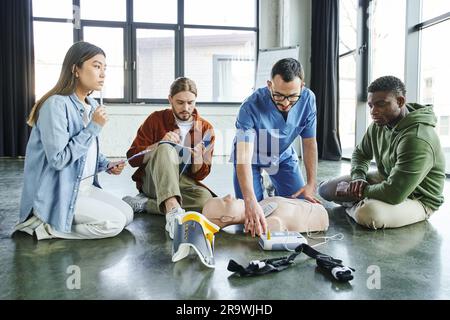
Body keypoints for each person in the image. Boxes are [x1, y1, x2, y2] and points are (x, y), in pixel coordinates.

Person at [15, 41, 132, 240]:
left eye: (105, 68)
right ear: (75, 69)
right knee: (115, 223)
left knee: (128, 214)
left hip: (82, 186)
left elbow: (87, 150)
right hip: (59, 193)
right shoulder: (55, 105)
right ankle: (46, 227)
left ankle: (60, 223)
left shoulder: (91, 103)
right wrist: (94, 126)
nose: (103, 73)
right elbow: (58, 159)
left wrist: (106, 164)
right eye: (96, 66)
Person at [318, 75, 445, 229]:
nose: (373, 111)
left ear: (400, 101)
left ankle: (359, 205)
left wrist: (358, 192)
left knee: (368, 214)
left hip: (419, 199)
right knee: (325, 190)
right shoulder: (379, 124)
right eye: (371, 105)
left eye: (381, 104)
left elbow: (394, 193)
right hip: (387, 179)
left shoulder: (417, 138)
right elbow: (361, 154)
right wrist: (359, 177)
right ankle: (360, 203)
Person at [231, 58, 320, 237]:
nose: (286, 103)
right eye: (279, 95)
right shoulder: (249, 107)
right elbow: (243, 158)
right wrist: (250, 200)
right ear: (269, 85)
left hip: (282, 154)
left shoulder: (308, 99)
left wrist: (311, 183)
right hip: (251, 157)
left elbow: (309, 142)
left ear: (302, 86)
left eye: (292, 96)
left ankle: (273, 188)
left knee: (300, 205)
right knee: (250, 219)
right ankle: (263, 191)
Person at [123, 77, 215, 239]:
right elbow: (132, 159)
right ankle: (172, 210)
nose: (186, 108)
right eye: (180, 102)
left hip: (180, 183)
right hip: (153, 181)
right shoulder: (155, 119)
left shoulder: (206, 129)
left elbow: (200, 176)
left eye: (191, 102)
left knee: (205, 200)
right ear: (170, 99)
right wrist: (159, 144)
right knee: (165, 148)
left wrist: (198, 159)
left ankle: (146, 204)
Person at [202, 194, 329, 233]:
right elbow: (277, 226)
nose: (229, 196)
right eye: (224, 201)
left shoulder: (263, 203)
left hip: (315, 206)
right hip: (321, 218)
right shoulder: (264, 224)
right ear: (225, 218)